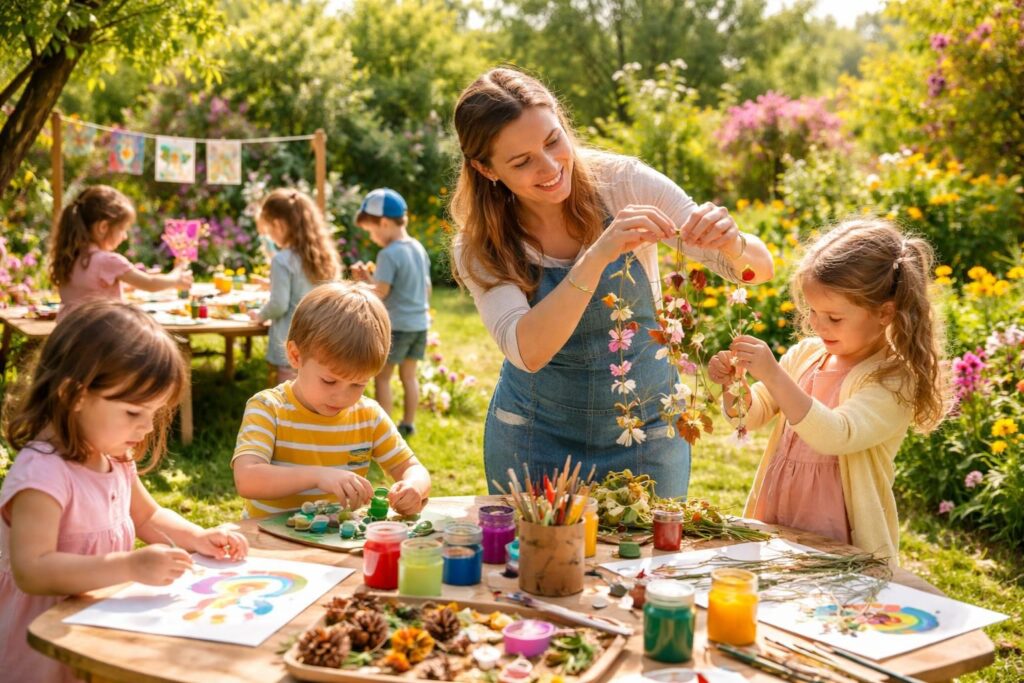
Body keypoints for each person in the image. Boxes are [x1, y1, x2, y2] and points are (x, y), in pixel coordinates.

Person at [449, 67, 774, 498]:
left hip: (648, 436)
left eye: (553, 141)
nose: (549, 167)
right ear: (486, 169)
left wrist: (732, 243)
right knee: (540, 566)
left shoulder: (625, 184)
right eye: (522, 161)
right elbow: (527, 350)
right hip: (534, 441)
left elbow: (757, 270)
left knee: (649, 565)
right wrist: (598, 255)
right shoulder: (480, 244)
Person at [0, 301, 249, 683]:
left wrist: (197, 537)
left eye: (154, 413)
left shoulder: (113, 457)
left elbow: (147, 516)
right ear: (74, 396)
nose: (147, 427)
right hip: (43, 644)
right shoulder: (42, 475)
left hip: (93, 623)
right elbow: (32, 570)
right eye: (134, 413)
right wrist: (129, 567)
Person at [708, 218, 949, 565]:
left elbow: (836, 434)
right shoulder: (808, 355)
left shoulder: (893, 379)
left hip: (841, 536)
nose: (818, 325)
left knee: (830, 610)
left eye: (834, 318)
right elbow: (752, 413)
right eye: (813, 312)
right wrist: (735, 386)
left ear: (884, 313)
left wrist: (773, 373)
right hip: (778, 515)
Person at [232, 281, 432, 518]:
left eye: (358, 384)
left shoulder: (367, 415)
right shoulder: (269, 408)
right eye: (329, 381)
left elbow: (412, 468)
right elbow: (247, 479)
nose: (343, 396)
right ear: (296, 356)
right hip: (268, 542)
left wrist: (413, 488)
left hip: (336, 543)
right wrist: (319, 476)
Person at [351, 188, 431, 438]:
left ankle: (383, 430)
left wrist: (361, 282)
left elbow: (380, 293)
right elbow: (427, 288)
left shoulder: (388, 253)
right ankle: (408, 423)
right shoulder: (417, 247)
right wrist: (371, 279)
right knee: (409, 376)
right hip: (420, 324)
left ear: (384, 223)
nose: (373, 238)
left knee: (383, 377)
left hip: (397, 326)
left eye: (372, 232)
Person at [49, 185, 193, 319]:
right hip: (102, 338)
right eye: (122, 229)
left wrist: (129, 284)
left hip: (69, 336)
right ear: (103, 227)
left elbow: (89, 290)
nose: (125, 236)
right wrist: (177, 276)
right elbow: (150, 283)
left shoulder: (69, 258)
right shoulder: (107, 260)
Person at [249, 189, 342, 386]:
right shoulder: (325, 256)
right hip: (322, 340)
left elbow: (279, 304)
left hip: (291, 344)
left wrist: (259, 315)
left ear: (279, 225)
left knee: (289, 399)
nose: (270, 236)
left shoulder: (282, 260)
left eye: (269, 229)